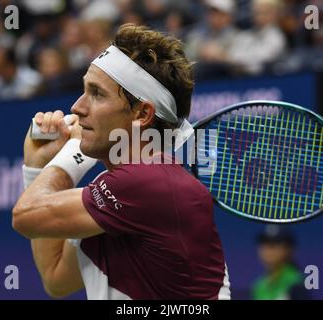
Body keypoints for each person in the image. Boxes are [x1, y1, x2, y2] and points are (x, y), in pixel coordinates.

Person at [12, 24, 230, 300]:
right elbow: (56, 278)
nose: (77, 107)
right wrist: (36, 166)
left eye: (97, 93)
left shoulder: (150, 180)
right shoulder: (118, 197)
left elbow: (25, 216)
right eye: (84, 91)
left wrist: (71, 153)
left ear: (142, 113)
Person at [251, 225, 310, 300]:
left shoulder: (295, 282)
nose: (267, 249)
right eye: (264, 242)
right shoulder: (259, 285)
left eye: (274, 244)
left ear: (288, 249)